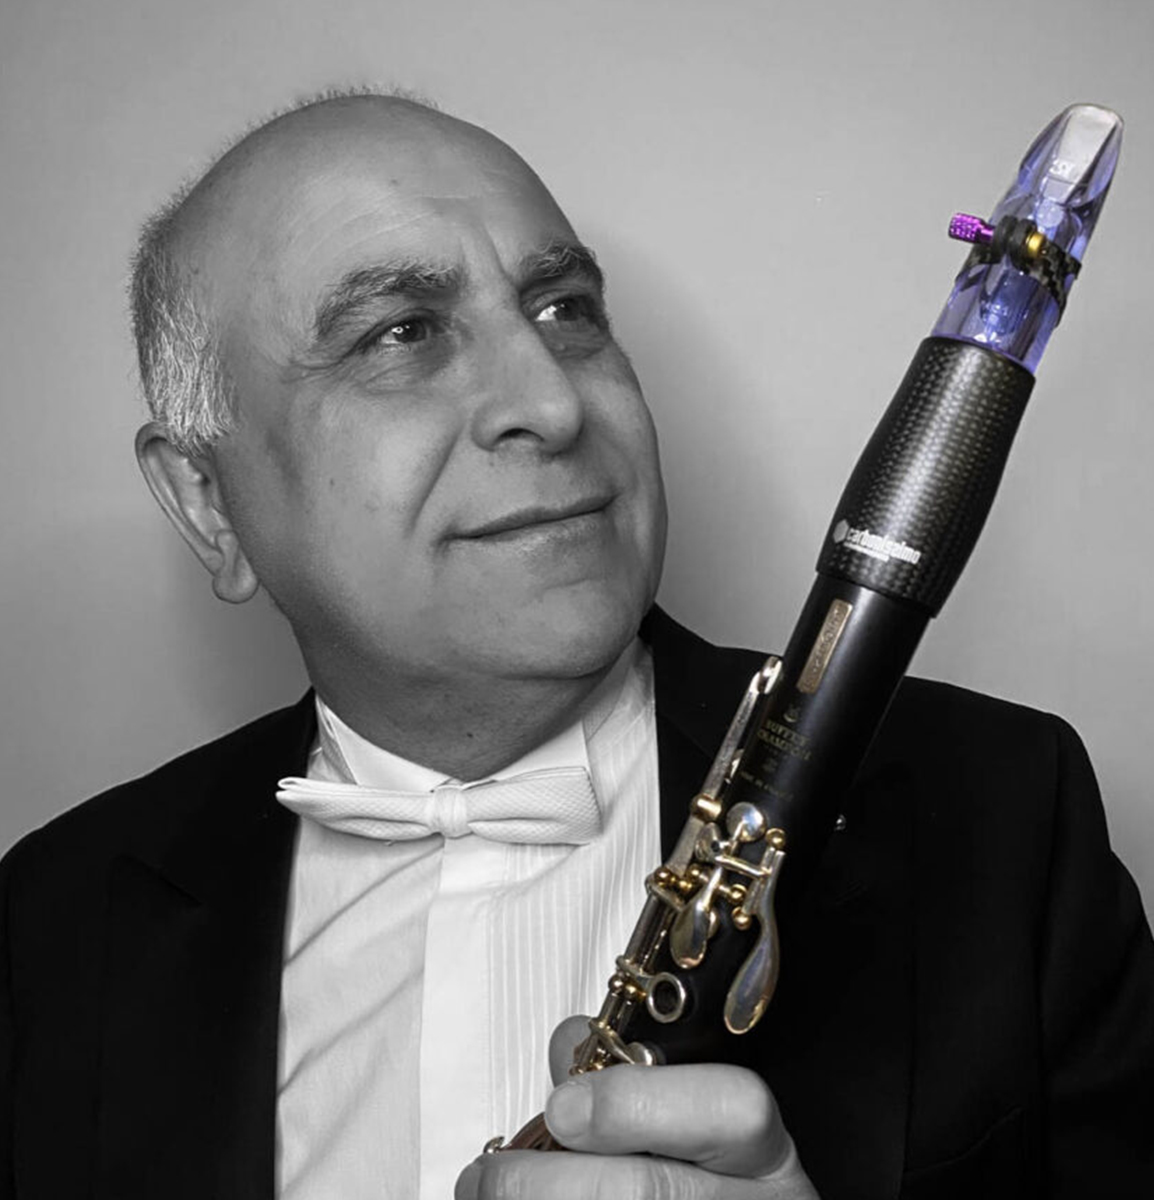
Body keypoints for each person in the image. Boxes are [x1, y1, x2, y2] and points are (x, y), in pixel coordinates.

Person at [1, 91, 1151, 1200]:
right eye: (401, 333)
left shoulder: (1004, 814)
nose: (552, 406)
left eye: (564, 310)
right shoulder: (47, 926)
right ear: (206, 501)